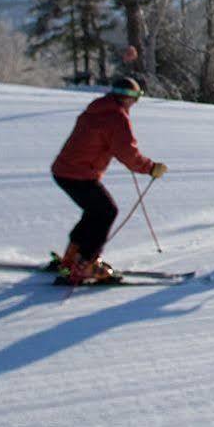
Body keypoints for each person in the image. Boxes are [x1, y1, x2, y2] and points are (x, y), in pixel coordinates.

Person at [50, 75, 167, 283]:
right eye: (136, 98)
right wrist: (151, 168)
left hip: (64, 171)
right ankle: (86, 263)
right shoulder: (116, 117)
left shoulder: (96, 108)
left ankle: (72, 258)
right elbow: (127, 154)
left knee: (94, 212)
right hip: (79, 174)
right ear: (129, 98)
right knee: (106, 212)